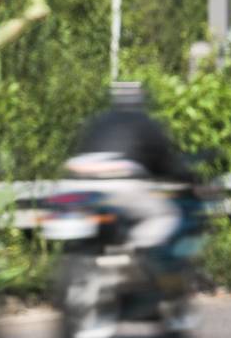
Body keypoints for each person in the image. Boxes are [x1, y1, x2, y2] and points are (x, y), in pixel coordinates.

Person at [66, 83, 199, 277]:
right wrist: (188, 179)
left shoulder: (98, 121)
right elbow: (165, 162)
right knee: (165, 216)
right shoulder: (145, 122)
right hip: (119, 182)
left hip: (77, 182)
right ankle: (136, 256)